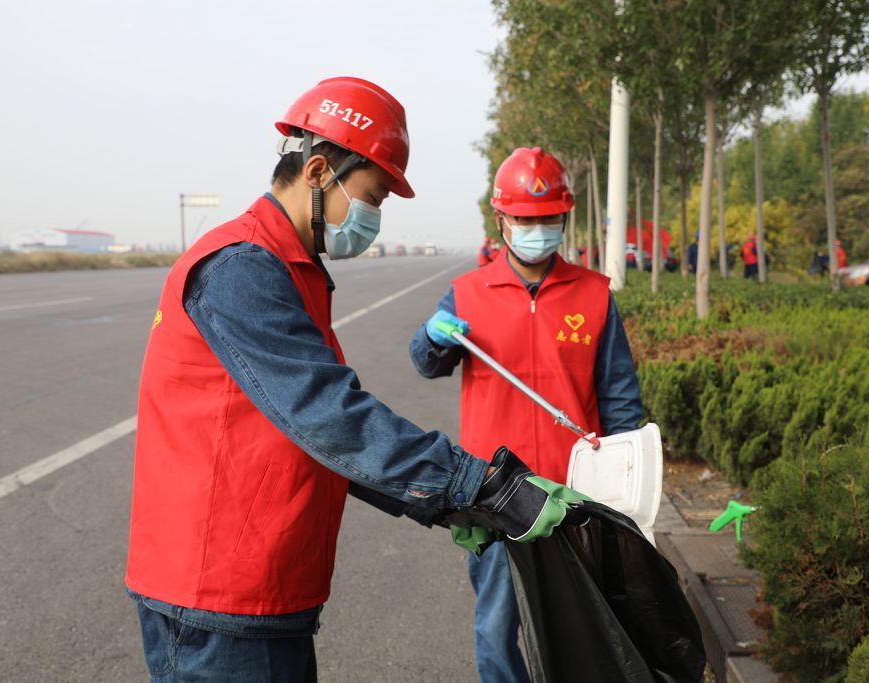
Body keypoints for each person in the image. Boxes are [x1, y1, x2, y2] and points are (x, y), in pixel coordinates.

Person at [124, 78, 582, 682]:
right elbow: (330, 417)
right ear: (317, 173)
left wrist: (443, 507)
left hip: (260, 583)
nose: (373, 219)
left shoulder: (293, 269)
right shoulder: (241, 268)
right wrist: (481, 487)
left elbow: (323, 435)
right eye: (372, 196)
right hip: (219, 595)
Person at [408, 147, 645, 683]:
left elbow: (620, 398)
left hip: (574, 492)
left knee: (583, 623)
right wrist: (431, 337)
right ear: (501, 220)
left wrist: (627, 484)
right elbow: (426, 364)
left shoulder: (594, 295)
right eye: (524, 219)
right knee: (496, 628)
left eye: (547, 220)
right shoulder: (468, 294)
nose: (537, 229)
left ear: (565, 218)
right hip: (495, 492)